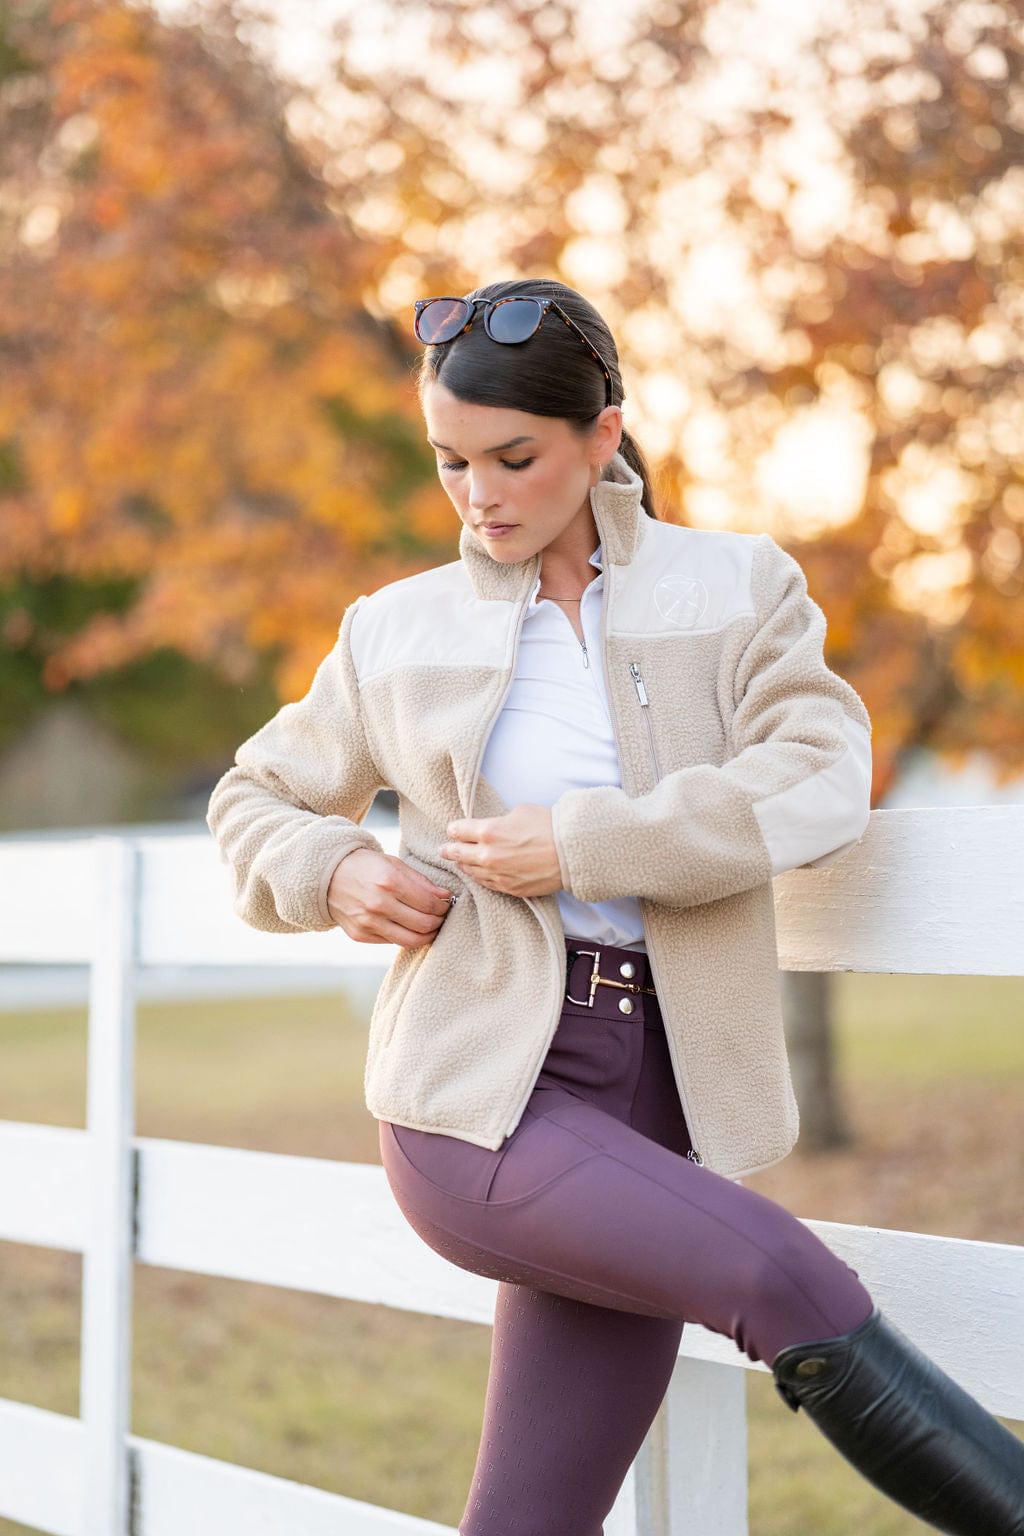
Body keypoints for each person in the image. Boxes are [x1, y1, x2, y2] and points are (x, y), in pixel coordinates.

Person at [206, 277, 1024, 1536]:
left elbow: (816, 780)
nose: (477, 496)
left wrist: (588, 842)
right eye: (450, 462)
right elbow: (255, 795)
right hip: (477, 1095)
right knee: (781, 1274)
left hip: (658, 1092)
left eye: (512, 457)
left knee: (533, 1519)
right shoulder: (395, 628)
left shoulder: (738, 588)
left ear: (602, 434)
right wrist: (332, 867)